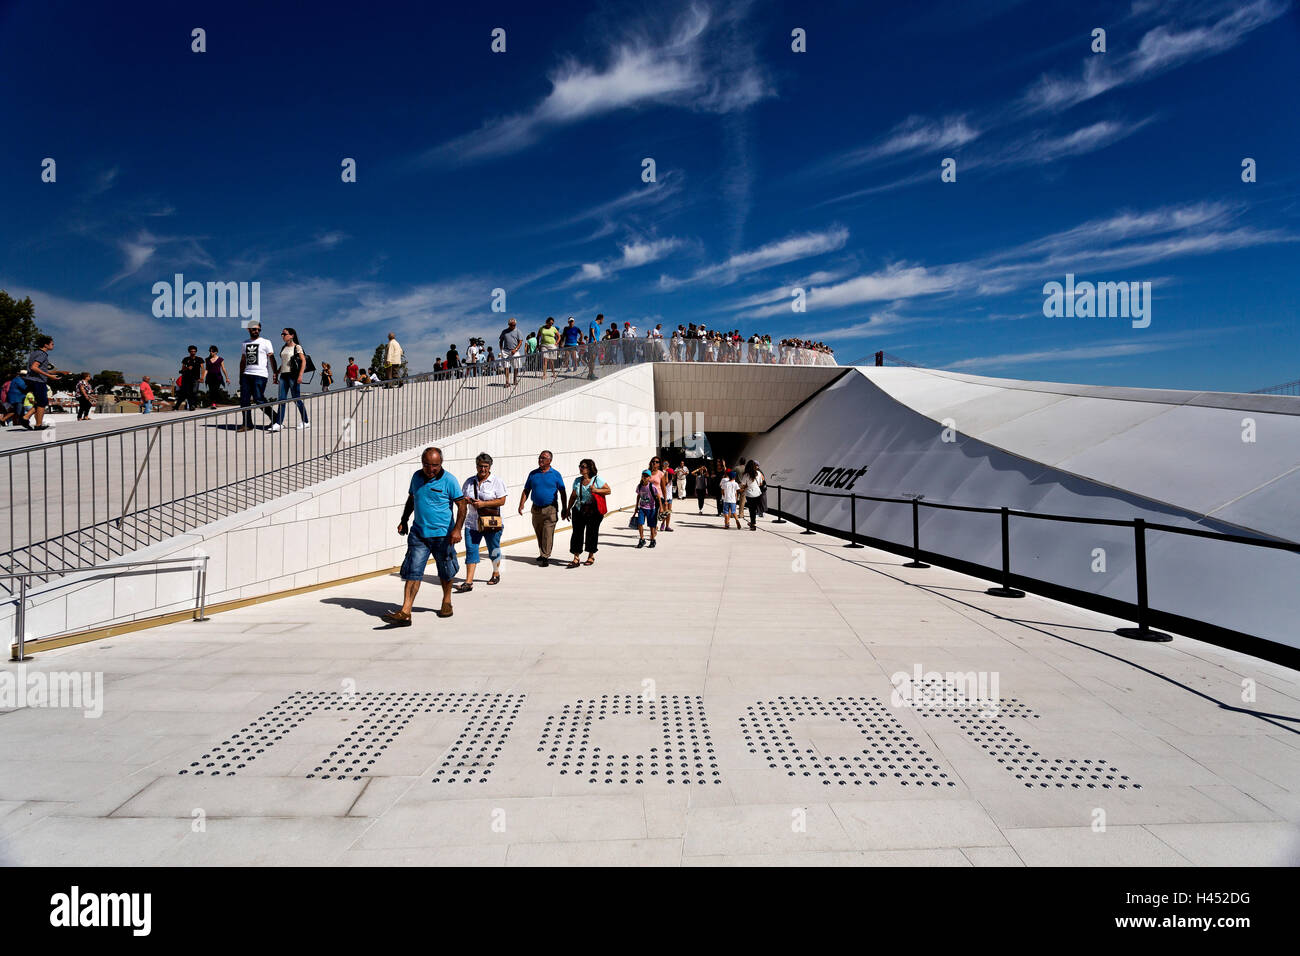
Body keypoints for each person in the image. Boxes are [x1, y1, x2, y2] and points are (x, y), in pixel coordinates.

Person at [383, 447, 466, 624]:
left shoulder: (449, 480)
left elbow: (462, 506)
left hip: (443, 536)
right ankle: (406, 611)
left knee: (445, 571)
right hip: (419, 534)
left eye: (434, 465)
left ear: (441, 463)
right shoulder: (416, 477)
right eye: (427, 465)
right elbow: (412, 499)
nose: (430, 469)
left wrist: (457, 529)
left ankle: (447, 601)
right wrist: (404, 520)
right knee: (413, 571)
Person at [456, 452, 507, 591]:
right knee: (471, 550)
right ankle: (468, 581)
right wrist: (466, 501)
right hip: (472, 523)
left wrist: (483, 504)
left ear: (490, 466)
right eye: (480, 466)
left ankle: (496, 573)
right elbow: (462, 499)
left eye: (485, 466)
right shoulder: (469, 482)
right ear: (476, 466)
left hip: (491, 522)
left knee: (493, 548)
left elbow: (502, 500)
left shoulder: (497, 481)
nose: (482, 469)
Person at [518, 449, 567, 566]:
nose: (540, 460)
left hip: (550, 509)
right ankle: (542, 553)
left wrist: (565, 508)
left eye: (543, 458)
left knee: (548, 533)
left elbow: (562, 491)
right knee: (539, 532)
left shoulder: (555, 474)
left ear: (550, 460)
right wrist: (521, 504)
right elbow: (526, 489)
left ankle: (545, 556)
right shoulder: (533, 474)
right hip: (536, 508)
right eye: (540, 457)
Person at [564, 458, 609, 567]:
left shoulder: (597, 480)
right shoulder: (577, 480)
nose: (580, 468)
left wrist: (596, 490)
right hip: (579, 510)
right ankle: (576, 558)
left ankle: (591, 555)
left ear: (589, 469)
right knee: (577, 534)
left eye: (583, 466)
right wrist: (568, 509)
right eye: (580, 466)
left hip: (594, 512)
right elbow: (573, 495)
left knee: (591, 533)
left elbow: (608, 490)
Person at [237, 322, 277, 432]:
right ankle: (247, 424)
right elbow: (243, 360)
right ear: (248, 329)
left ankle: (275, 418)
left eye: (259, 329)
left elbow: (271, 358)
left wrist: (275, 373)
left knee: (258, 398)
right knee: (244, 400)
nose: (257, 331)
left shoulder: (266, 342)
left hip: (260, 375)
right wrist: (241, 375)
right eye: (254, 329)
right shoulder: (245, 343)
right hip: (246, 374)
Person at [24, 335, 66, 430]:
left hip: (32, 380)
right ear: (45, 345)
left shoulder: (35, 353)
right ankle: (38, 425)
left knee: (41, 402)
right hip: (38, 381)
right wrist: (50, 376)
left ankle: (26, 417)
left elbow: (39, 369)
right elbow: (34, 367)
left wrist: (59, 372)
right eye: (52, 344)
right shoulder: (43, 354)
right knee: (42, 402)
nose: (53, 346)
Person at [271, 327, 310, 432]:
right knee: (281, 399)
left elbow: (303, 361)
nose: (282, 336)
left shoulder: (297, 347)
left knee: (296, 399)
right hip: (283, 376)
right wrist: (276, 373)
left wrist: (300, 375)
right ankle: (279, 423)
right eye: (282, 334)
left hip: (293, 375)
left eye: (285, 334)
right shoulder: (283, 347)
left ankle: (306, 421)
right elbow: (284, 363)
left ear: (292, 335)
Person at [634, 469, 662, 549]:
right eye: (644, 476)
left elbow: (658, 497)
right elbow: (638, 496)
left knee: (651, 525)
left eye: (646, 476)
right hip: (642, 508)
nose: (645, 477)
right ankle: (642, 539)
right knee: (640, 523)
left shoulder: (652, 486)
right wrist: (636, 507)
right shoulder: (639, 486)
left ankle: (653, 539)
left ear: (649, 477)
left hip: (651, 508)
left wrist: (661, 508)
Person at [739, 459, 765, 530]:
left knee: (752, 510)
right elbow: (760, 483)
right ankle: (753, 522)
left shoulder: (746, 475)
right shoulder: (758, 473)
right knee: (755, 509)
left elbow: (743, 485)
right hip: (757, 493)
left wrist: (746, 486)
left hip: (750, 494)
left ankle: (753, 524)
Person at [177, 346, 203, 411]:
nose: (193, 353)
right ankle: (192, 405)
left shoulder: (199, 359)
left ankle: (193, 404)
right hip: (187, 378)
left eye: (194, 351)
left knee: (194, 391)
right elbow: (182, 369)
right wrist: (187, 368)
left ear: (196, 352)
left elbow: (203, 369)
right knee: (189, 393)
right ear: (189, 352)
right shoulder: (186, 359)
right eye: (191, 351)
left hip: (196, 378)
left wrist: (202, 377)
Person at [499, 317, 523, 387]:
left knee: (516, 366)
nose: (513, 326)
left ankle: (515, 380)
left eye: (514, 325)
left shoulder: (518, 331)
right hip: (506, 351)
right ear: (508, 324)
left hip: (515, 351)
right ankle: (507, 382)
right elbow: (501, 341)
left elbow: (520, 342)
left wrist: (516, 349)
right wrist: (501, 350)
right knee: (506, 367)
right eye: (512, 325)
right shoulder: (504, 331)